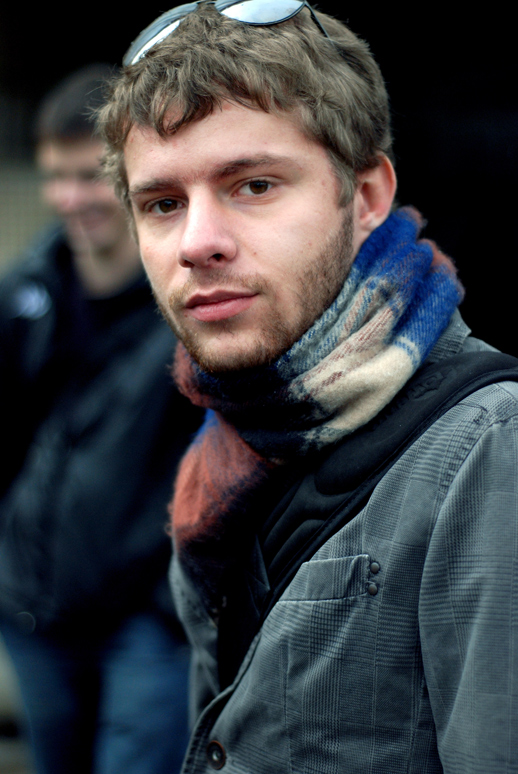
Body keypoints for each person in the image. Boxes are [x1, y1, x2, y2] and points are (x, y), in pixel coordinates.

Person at [97, 4, 518, 772]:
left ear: (366, 196)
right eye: (162, 204)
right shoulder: (227, 449)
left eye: (254, 185)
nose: (197, 242)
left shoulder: (492, 450)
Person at [0, 64, 202, 774]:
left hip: (146, 624)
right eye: (55, 176)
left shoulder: (194, 307)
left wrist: (170, 602)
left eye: (88, 177)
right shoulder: (26, 293)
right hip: (36, 615)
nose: (69, 198)